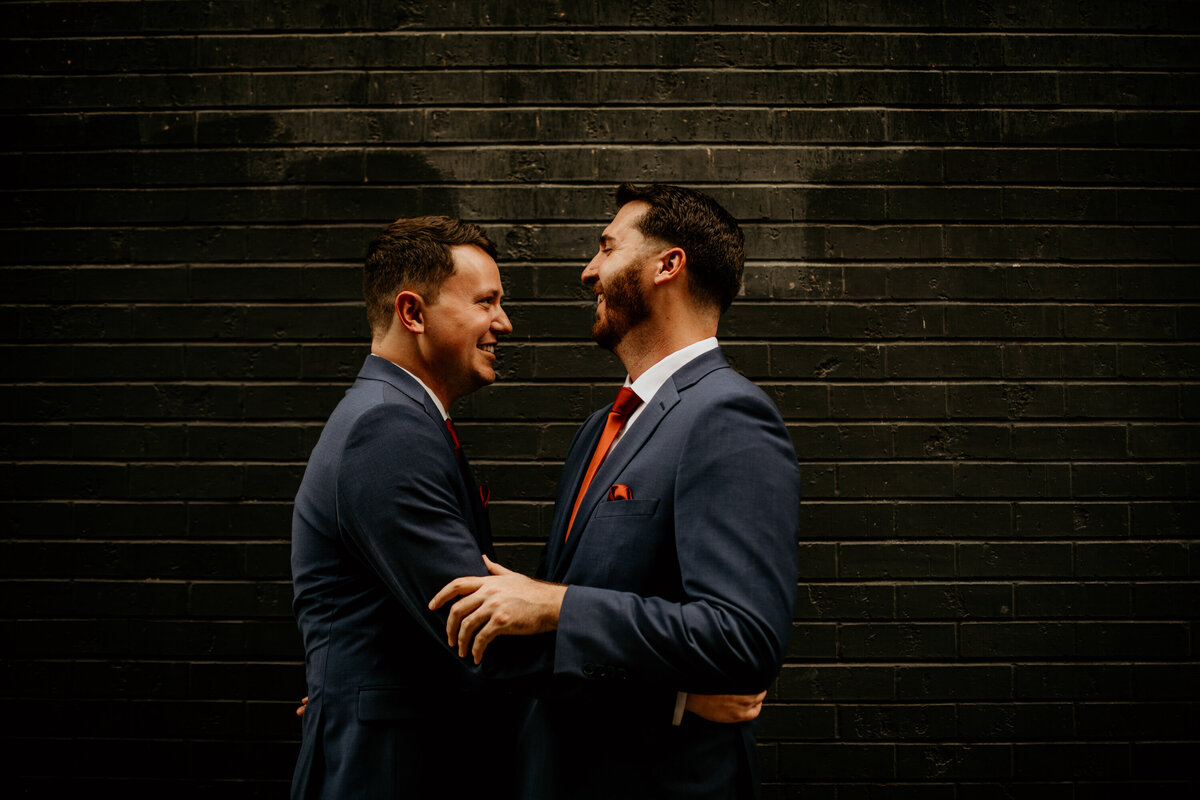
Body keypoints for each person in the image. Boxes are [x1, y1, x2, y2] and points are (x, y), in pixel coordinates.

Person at [290, 214, 764, 800]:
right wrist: (676, 696)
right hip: (389, 771)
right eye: (486, 302)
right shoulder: (386, 431)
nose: (504, 324)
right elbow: (481, 629)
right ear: (412, 313)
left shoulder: (395, 420)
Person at [431, 184, 803, 799]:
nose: (589, 270)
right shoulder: (599, 429)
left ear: (668, 265)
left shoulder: (728, 417)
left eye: (607, 247)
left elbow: (743, 639)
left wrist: (556, 605)